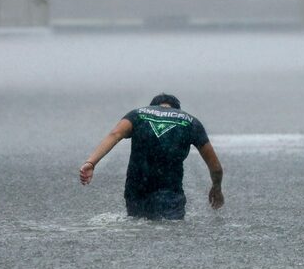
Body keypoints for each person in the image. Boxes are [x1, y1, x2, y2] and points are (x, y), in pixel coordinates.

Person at [78, 93, 224, 220]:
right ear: (176, 108)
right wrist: (216, 188)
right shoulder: (191, 123)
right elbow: (215, 167)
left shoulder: (137, 114)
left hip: (136, 189)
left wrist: (91, 163)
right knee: (168, 233)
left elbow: (115, 134)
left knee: (138, 230)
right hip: (170, 194)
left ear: (152, 106)